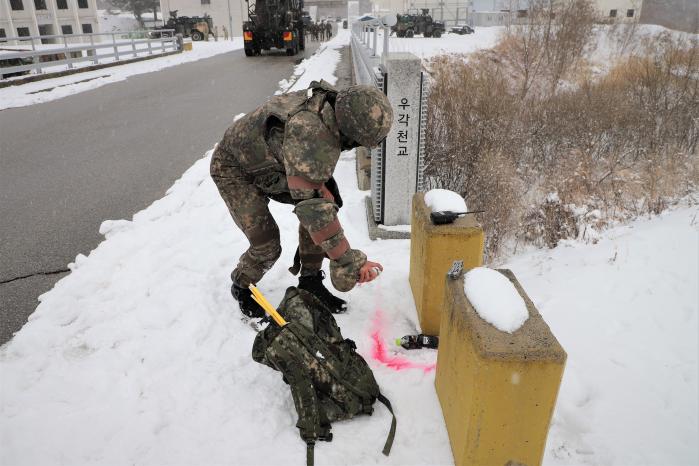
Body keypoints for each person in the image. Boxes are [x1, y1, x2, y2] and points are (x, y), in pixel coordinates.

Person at [210, 81, 393, 317]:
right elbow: (314, 210)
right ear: (350, 133)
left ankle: (311, 283)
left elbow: (318, 203)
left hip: (273, 159)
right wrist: (350, 262)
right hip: (234, 167)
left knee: (326, 201)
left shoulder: (334, 108)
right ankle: (242, 286)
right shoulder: (310, 133)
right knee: (267, 244)